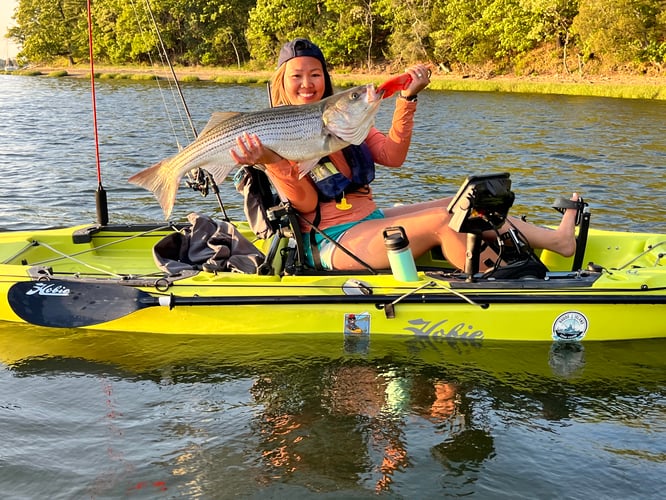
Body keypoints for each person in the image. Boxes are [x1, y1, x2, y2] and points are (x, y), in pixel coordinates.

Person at [230, 38, 580, 272]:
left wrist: (406, 99)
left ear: (325, 79)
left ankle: (558, 241)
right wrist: (272, 162)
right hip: (329, 241)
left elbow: (393, 155)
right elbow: (306, 207)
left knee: (464, 203)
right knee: (444, 222)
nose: (307, 83)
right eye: (297, 76)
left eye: (315, 74)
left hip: (370, 219)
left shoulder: (343, 120)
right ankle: (504, 281)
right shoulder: (275, 133)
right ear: (282, 81)